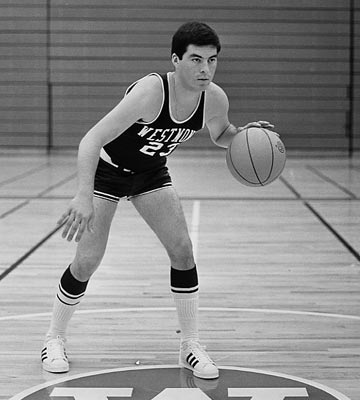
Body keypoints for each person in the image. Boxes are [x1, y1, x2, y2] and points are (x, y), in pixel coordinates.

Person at [41, 21, 273, 379]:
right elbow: (91, 139)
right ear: (175, 59)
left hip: (150, 172)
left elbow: (221, 133)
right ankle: (54, 337)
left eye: (212, 61)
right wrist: (82, 195)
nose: (205, 69)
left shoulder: (214, 98)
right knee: (87, 261)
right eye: (196, 60)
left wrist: (244, 137)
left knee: (182, 250)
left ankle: (190, 345)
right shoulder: (152, 91)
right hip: (108, 171)